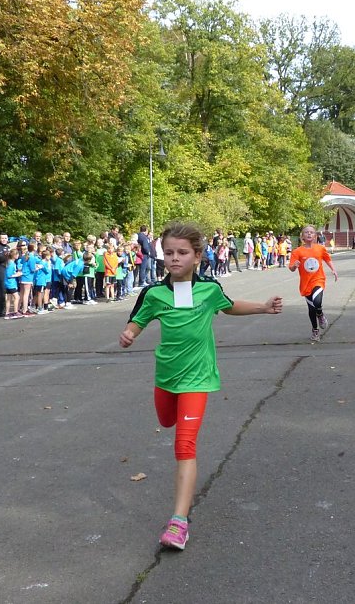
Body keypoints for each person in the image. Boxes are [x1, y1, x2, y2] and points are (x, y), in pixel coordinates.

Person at [119, 221, 283, 550]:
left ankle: (178, 523)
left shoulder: (209, 290)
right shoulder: (154, 292)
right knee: (166, 420)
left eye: (182, 253)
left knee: (184, 446)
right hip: (166, 376)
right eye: (168, 253)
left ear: (197, 256)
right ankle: (178, 420)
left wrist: (263, 308)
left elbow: (230, 305)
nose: (174, 258)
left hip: (198, 378)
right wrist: (130, 334)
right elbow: (139, 319)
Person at [289, 225, 338, 342]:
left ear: (315, 236)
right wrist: (294, 266)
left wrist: (333, 270)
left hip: (318, 279)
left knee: (317, 302)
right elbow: (291, 267)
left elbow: (327, 259)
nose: (309, 234)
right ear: (302, 236)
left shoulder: (320, 249)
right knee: (311, 309)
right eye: (306, 232)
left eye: (311, 232)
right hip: (306, 284)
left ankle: (320, 315)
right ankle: (315, 330)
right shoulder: (297, 251)